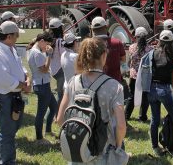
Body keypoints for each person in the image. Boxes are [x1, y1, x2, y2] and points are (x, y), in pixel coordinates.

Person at [57, 37, 127, 165]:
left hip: (77, 151)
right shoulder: (114, 86)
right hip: (103, 150)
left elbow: (60, 119)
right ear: (104, 55)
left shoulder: (73, 82)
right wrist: (117, 146)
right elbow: (121, 125)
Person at [0, 21, 31, 164]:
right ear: (9, 36)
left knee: (12, 127)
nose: (17, 38)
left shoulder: (10, 48)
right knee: (7, 133)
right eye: (16, 35)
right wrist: (23, 85)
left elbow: (19, 65)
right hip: (4, 97)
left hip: (13, 94)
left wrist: (26, 77)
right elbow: (5, 80)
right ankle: (7, 161)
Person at [148, 30, 173, 158]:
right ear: (171, 43)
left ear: (159, 41)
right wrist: (172, 90)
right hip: (165, 89)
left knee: (154, 120)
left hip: (151, 90)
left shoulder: (152, 54)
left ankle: (155, 147)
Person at [27, 31, 58, 143]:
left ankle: (48, 130)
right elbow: (44, 69)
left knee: (54, 107)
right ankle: (39, 138)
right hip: (41, 85)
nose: (48, 46)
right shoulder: (36, 53)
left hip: (43, 84)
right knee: (41, 113)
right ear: (41, 41)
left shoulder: (36, 51)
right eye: (47, 44)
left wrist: (46, 52)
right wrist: (49, 55)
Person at [125, 27, 152, 122]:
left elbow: (129, 62)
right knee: (145, 96)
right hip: (145, 75)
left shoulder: (131, 47)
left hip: (133, 75)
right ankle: (142, 117)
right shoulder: (150, 49)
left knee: (131, 96)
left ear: (136, 37)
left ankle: (126, 115)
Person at [90, 17, 126, 83]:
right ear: (106, 27)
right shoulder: (117, 42)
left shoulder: (88, 45)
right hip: (115, 82)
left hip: (96, 84)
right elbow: (123, 61)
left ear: (92, 29)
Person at [48, 18, 66, 110]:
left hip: (52, 69)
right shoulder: (60, 41)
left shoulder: (48, 40)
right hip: (60, 70)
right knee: (61, 94)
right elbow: (64, 55)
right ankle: (57, 114)